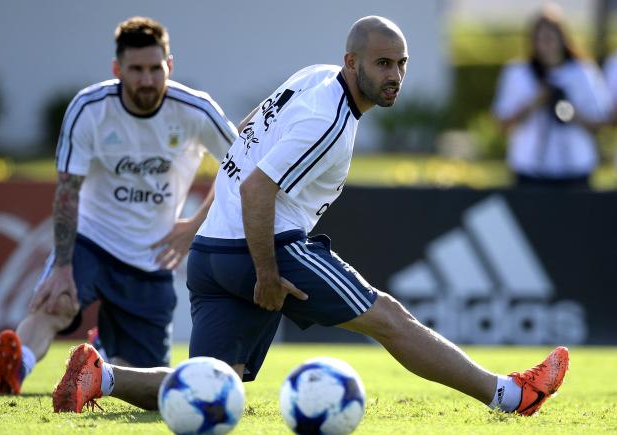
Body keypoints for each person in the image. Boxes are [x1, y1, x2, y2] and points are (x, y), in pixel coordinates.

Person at [51, 16, 570, 417]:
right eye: (383, 64)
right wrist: (267, 273)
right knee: (389, 318)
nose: (395, 76)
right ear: (352, 62)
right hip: (261, 248)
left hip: (212, 252)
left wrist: (206, 221)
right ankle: (510, 395)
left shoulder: (314, 78)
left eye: (402, 64)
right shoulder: (330, 119)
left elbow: (247, 136)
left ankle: (104, 378)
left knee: (213, 382)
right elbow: (257, 188)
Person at [0, 16, 237, 395]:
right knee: (54, 305)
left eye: (156, 69)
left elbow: (243, 168)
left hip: (152, 256)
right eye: (136, 70)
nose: (147, 79)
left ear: (169, 66)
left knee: (139, 371)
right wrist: (62, 265)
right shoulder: (89, 108)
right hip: (93, 239)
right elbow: (67, 191)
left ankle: (95, 362)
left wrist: (194, 225)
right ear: (117, 69)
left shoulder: (196, 111)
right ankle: (16, 367)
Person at [492, 4, 612, 189]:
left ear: (563, 39)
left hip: (575, 168)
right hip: (530, 169)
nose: (546, 45)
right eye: (540, 39)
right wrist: (536, 102)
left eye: (551, 38)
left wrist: (570, 112)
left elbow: (602, 120)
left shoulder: (582, 72)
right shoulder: (519, 73)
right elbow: (502, 123)